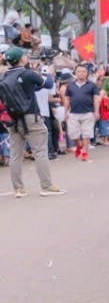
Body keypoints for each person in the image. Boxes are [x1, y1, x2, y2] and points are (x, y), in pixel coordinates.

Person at [1, 46, 64, 197]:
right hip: (31, 117)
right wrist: (48, 72)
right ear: (22, 59)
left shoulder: (3, 77)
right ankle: (46, 185)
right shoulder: (28, 74)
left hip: (12, 118)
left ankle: (18, 188)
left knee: (15, 155)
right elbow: (48, 84)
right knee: (40, 152)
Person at [63, 64, 100, 161]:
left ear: (87, 73)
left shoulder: (92, 85)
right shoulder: (70, 86)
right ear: (75, 73)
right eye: (79, 71)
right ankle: (79, 144)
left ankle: (84, 152)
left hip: (88, 112)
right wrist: (66, 112)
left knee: (86, 134)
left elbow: (96, 98)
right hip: (73, 112)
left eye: (84, 71)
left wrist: (96, 111)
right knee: (73, 134)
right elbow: (67, 99)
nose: (81, 73)